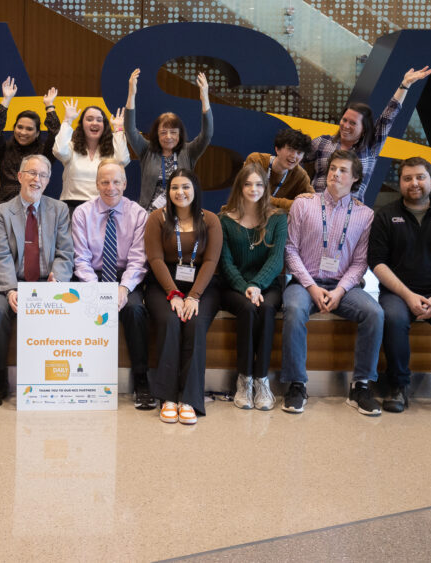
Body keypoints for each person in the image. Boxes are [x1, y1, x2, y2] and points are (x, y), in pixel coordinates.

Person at [281, 149, 383, 415]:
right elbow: (290, 249)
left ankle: (360, 386)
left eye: (343, 171)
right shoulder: (303, 204)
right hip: (305, 283)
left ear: (355, 179)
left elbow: (361, 262)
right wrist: (311, 287)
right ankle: (296, 384)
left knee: (374, 313)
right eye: (333, 169)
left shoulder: (365, 215)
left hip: (343, 287)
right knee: (293, 310)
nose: (335, 174)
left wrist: (339, 291)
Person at [368, 157, 431, 416]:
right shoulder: (386, 216)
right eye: (407, 178)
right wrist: (408, 294)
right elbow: (377, 263)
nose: (414, 183)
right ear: (400, 183)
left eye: (420, 177)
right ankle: (398, 385)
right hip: (397, 293)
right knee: (392, 318)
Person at [0, 154, 74, 408]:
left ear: (48, 181)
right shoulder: (2, 212)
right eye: (32, 173)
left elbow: (66, 252)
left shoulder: (59, 210)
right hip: (12, 280)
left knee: (64, 310)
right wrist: (11, 289)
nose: (37, 179)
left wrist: (58, 278)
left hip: (48, 282)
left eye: (43, 175)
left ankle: (51, 380)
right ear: (20, 176)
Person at [71, 159, 152, 409]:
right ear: (96, 184)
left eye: (116, 181)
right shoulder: (82, 213)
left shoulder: (139, 214)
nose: (110, 187)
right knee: (81, 310)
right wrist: (96, 290)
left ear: (125, 184)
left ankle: (141, 380)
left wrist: (123, 288)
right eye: (104, 182)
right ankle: (85, 379)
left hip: (124, 277)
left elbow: (138, 260)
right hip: (91, 277)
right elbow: (81, 259)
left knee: (135, 310)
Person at [144, 168, 222, 425]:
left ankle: (189, 398)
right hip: (164, 284)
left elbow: (211, 261)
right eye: (175, 187)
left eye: (186, 187)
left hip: (201, 285)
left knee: (195, 324)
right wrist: (173, 294)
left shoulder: (210, 220)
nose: (180, 192)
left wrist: (194, 296)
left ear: (195, 190)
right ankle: (167, 397)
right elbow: (155, 258)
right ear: (168, 192)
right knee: (170, 322)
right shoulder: (157, 217)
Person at [218, 162, 287, 411]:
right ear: (239, 186)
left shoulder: (278, 218)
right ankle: (244, 379)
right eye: (248, 184)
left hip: (268, 285)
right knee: (247, 309)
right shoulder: (224, 219)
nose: (253, 188)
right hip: (234, 287)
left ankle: (262, 379)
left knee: (267, 309)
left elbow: (277, 258)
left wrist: (257, 284)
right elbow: (224, 261)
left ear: (266, 187)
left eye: (259, 184)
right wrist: (245, 286)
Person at [306, 66, 431, 199]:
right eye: (344, 120)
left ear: (364, 129)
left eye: (353, 123)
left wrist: (405, 84)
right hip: (316, 208)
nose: (346, 125)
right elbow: (295, 158)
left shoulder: (370, 148)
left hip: (351, 213)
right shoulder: (323, 142)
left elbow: (388, 116)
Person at [123, 68, 213, 211]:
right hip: (150, 215)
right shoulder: (147, 150)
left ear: (180, 134)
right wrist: (131, 94)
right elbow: (130, 130)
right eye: (163, 132)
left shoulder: (188, 151)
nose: (168, 137)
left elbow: (207, 135)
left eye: (173, 132)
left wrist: (205, 99)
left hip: (181, 213)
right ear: (156, 135)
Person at [0, 77, 62, 210]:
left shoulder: (44, 153)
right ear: (14, 127)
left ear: (38, 133)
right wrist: (6, 99)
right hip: (3, 205)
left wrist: (49, 106)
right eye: (20, 127)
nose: (23, 132)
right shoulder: (3, 149)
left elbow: (56, 133)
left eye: (29, 129)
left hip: (34, 206)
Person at [53, 99, 130, 214]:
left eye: (99, 120)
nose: (94, 123)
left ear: (104, 126)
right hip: (71, 207)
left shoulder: (110, 151)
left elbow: (123, 160)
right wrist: (67, 121)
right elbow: (59, 151)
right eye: (89, 119)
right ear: (82, 124)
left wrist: (118, 129)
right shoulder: (71, 147)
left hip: (101, 207)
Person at [243, 128, 314, 211]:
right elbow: (253, 195)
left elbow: (312, 203)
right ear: (277, 149)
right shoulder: (256, 161)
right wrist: (296, 203)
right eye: (290, 149)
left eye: (299, 153)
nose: (294, 156)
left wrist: (305, 201)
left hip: (276, 220)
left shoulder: (300, 176)